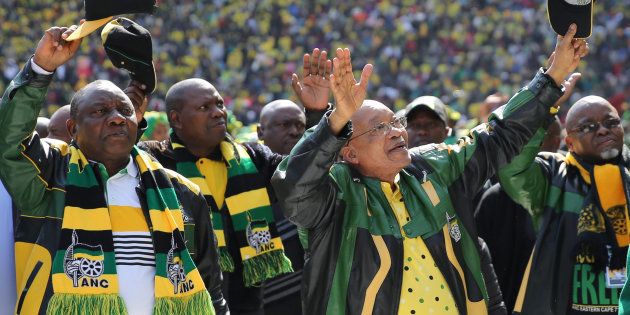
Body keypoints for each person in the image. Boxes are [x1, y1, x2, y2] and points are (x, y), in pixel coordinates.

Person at [272, 23, 587, 315]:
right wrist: (335, 118)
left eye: (396, 121)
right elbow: (294, 193)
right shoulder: (336, 196)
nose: (396, 131)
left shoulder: (435, 168)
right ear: (350, 152)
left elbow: (498, 135)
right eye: (379, 128)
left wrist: (551, 77)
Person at [0, 23, 226, 314]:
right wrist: (41, 68)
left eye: (125, 111)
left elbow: (210, 288)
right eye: (100, 111)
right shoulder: (49, 178)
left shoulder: (183, 193)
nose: (117, 118)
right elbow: (9, 142)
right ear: (72, 128)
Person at [139, 48, 331, 315]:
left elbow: (302, 174)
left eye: (219, 104)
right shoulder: (153, 161)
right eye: (204, 107)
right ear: (176, 119)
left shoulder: (253, 158)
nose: (218, 113)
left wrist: (317, 114)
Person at [499, 93, 629, 315]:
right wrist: (541, 108)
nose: (603, 130)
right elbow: (512, 168)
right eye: (588, 127)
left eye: (611, 122)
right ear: (569, 142)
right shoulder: (552, 176)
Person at [475, 117, 563, 313]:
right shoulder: (493, 198)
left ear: (557, 142)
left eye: (534, 138)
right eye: (518, 138)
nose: (524, 146)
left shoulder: (574, 189)